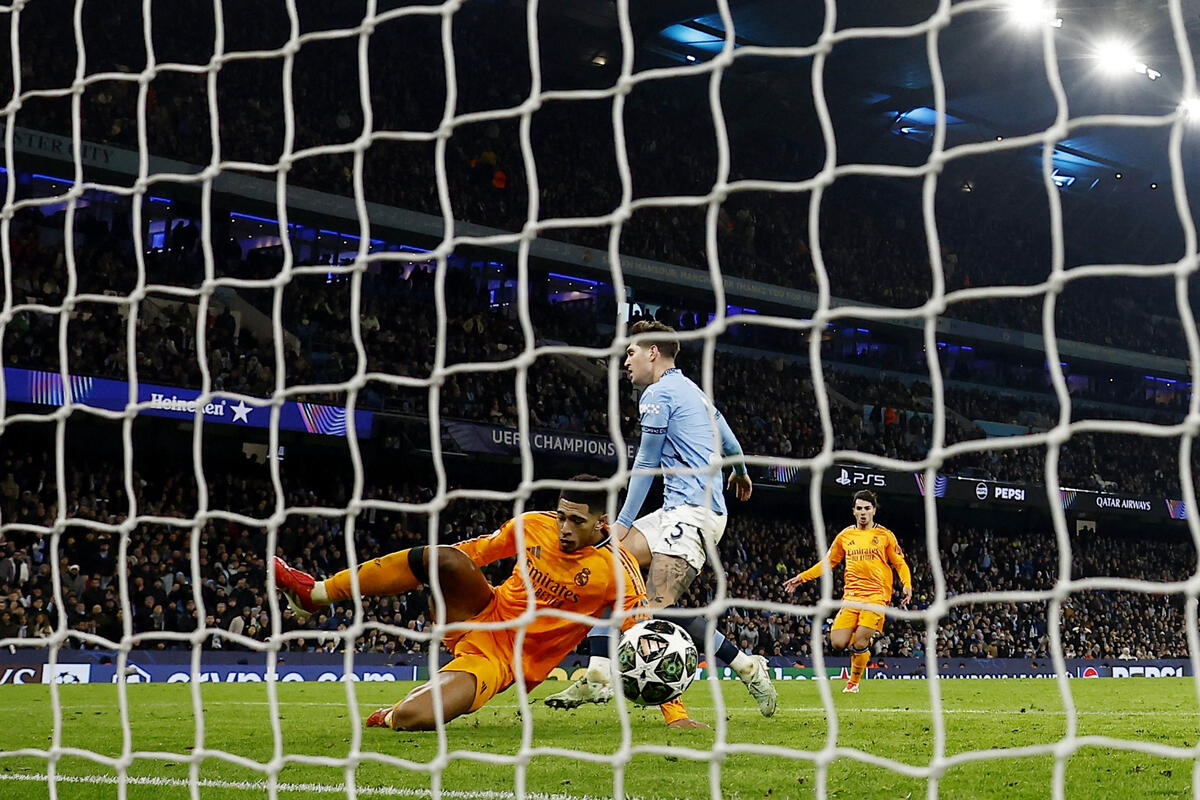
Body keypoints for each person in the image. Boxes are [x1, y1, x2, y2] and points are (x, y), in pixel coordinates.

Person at [273, 475, 698, 730]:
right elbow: (476, 552)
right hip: (481, 611)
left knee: (413, 719)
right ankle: (315, 594)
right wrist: (442, 570)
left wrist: (675, 714)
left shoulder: (619, 569)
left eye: (576, 521)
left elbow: (645, 642)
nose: (563, 528)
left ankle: (392, 712)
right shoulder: (533, 525)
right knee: (443, 557)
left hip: (503, 660)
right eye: (561, 515)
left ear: (601, 523)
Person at [545, 320, 777, 717]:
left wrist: (621, 523)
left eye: (631, 352)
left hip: (695, 516)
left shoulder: (657, 394)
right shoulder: (693, 391)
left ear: (652, 352)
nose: (626, 362)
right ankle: (598, 673)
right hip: (675, 511)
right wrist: (739, 471)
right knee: (609, 568)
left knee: (654, 609)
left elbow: (646, 463)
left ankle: (747, 667)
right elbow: (727, 436)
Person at [783, 490, 912, 694]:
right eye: (859, 508)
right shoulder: (845, 536)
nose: (863, 512)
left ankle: (853, 682)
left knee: (859, 642)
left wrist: (907, 584)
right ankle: (865, 642)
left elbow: (900, 563)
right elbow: (828, 562)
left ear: (874, 510)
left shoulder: (885, 535)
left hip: (876, 596)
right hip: (851, 597)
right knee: (837, 643)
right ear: (853, 511)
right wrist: (802, 577)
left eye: (867, 508)